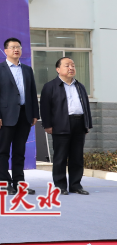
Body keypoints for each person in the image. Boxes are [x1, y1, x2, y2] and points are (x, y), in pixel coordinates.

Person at [0, 37, 39, 195]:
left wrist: (35, 113)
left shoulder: (27, 70)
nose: (16, 49)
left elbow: (32, 93)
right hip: (5, 116)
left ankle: (19, 183)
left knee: (19, 151)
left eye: (18, 47)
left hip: (25, 115)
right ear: (6, 50)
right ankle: (5, 183)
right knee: (3, 151)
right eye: (13, 47)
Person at [40, 57, 92, 195]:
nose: (71, 68)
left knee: (77, 157)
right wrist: (47, 125)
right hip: (60, 124)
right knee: (60, 156)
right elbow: (45, 107)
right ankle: (60, 186)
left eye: (73, 65)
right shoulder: (50, 86)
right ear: (58, 69)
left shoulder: (80, 86)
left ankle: (75, 185)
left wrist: (87, 124)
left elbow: (86, 107)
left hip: (79, 123)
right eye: (67, 65)